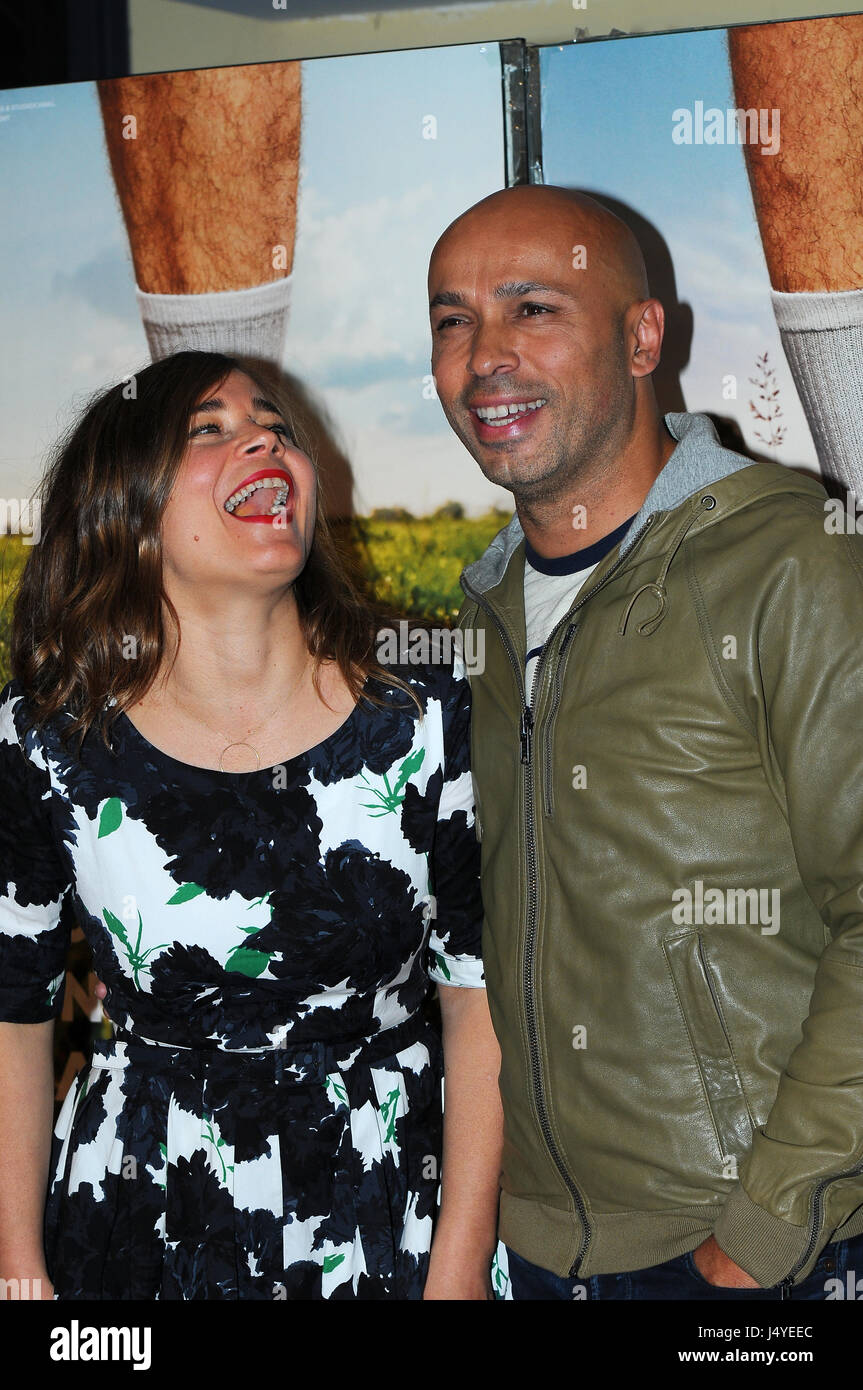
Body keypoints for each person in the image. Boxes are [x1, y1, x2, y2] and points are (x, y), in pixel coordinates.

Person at [428, 183, 863, 1300]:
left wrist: (759, 1234)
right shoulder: (481, 607)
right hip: (545, 1252)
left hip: (752, 1249)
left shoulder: (786, 564)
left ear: (640, 335)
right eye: (451, 320)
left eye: (532, 308)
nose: (484, 357)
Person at [0, 349, 502, 1301]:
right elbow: (13, 1019)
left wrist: (459, 1269)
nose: (264, 436)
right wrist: (17, 1266)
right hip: (140, 1218)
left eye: (274, 422)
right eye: (209, 428)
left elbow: (479, 1002)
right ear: (123, 503)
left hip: (391, 1206)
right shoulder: (42, 742)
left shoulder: (430, 719)